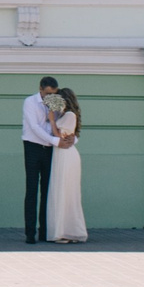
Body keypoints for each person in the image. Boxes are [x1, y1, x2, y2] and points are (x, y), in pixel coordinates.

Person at [21, 76, 60, 243]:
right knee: (31, 190)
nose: (49, 97)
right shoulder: (30, 102)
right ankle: (30, 232)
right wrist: (53, 140)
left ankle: (44, 231)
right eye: (47, 94)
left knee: (47, 191)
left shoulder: (56, 102)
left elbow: (58, 124)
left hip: (50, 149)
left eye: (53, 94)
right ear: (40, 89)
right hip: (33, 147)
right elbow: (34, 126)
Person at [48, 87, 88, 243]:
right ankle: (63, 230)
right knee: (61, 191)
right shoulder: (65, 115)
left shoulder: (69, 115)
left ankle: (68, 231)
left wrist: (51, 120)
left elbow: (59, 136)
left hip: (66, 155)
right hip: (61, 154)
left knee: (66, 192)